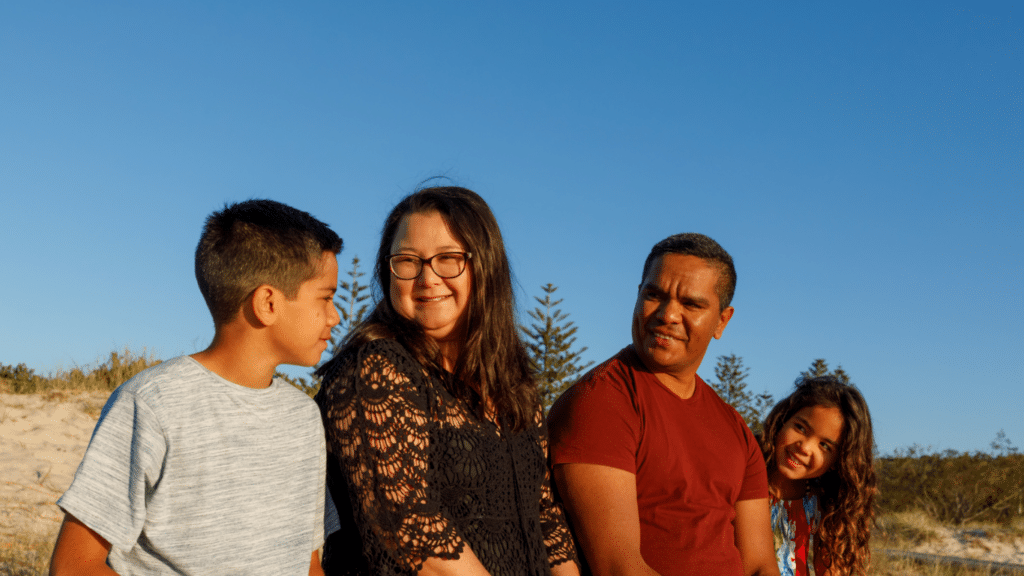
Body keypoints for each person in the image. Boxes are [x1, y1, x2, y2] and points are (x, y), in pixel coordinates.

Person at [50, 199, 341, 576]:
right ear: (268, 303)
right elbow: (74, 564)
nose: (335, 316)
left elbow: (308, 562)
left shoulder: (303, 418)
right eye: (326, 297)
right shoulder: (153, 403)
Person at [314, 186, 579, 576]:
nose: (427, 278)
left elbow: (545, 520)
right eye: (407, 261)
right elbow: (413, 532)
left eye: (448, 259)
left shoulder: (514, 386)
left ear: (485, 266)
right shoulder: (374, 369)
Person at [548, 233, 779, 576]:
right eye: (654, 295)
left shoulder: (736, 430)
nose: (668, 314)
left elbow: (760, 564)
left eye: (691, 304)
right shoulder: (602, 403)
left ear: (721, 321)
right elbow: (619, 567)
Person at [761, 376, 877, 576]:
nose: (805, 447)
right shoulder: (744, 478)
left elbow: (832, 571)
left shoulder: (822, 504)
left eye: (825, 446)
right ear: (782, 420)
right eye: (800, 428)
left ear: (838, 461)